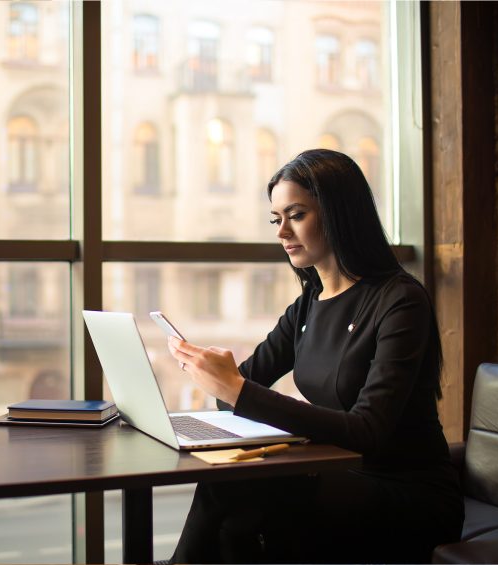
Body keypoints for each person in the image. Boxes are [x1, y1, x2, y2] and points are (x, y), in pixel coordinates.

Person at [165, 149, 463, 564]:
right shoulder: (308, 304)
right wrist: (218, 376)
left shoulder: (400, 301)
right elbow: (237, 392)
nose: (282, 231)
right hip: (340, 475)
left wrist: (236, 388)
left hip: (407, 493)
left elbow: (367, 430)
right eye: (276, 219)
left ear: (339, 213)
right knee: (235, 507)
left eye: (296, 214)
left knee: (235, 491)